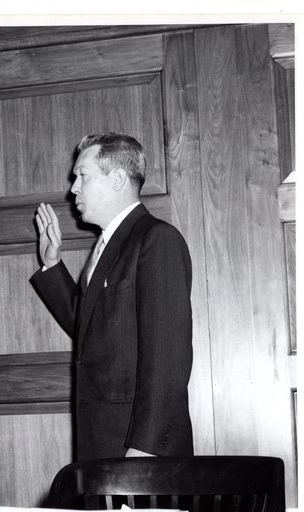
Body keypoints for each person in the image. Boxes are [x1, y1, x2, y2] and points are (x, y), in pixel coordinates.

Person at [31, 132, 193, 460]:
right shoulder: (109, 246)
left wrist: (144, 451)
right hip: (104, 446)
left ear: (117, 179)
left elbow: (168, 358)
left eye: (82, 176)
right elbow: (89, 327)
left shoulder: (156, 240)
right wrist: (52, 265)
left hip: (139, 454)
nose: (73, 188)